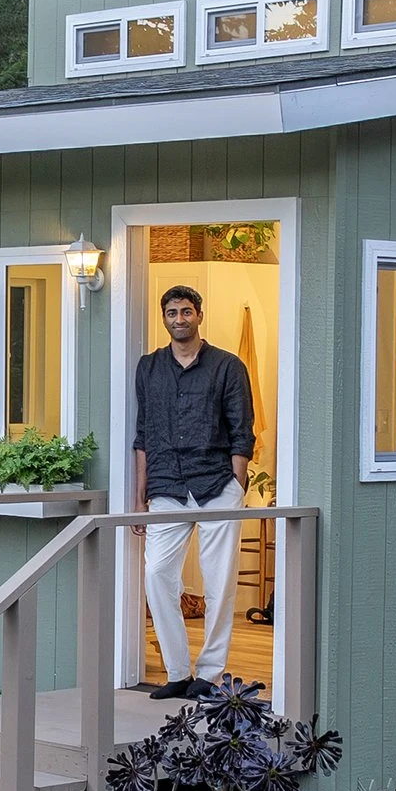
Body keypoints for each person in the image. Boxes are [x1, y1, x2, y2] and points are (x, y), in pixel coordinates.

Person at [131, 284, 255, 700]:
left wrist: (236, 485)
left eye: (186, 311)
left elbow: (242, 432)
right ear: (163, 318)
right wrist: (139, 497)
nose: (179, 319)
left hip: (217, 482)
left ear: (199, 315)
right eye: (171, 312)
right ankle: (178, 670)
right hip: (166, 484)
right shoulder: (149, 368)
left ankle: (211, 671)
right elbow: (143, 435)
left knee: (220, 580)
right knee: (156, 575)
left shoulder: (227, 366)